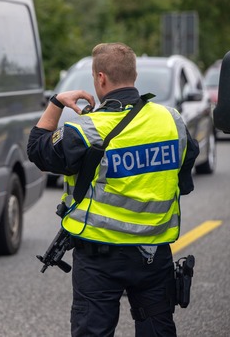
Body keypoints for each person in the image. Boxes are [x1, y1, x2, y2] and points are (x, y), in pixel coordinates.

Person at [27, 43, 199, 336]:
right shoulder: (173, 121)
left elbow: (37, 149)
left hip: (99, 256)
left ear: (101, 78)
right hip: (153, 252)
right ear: (134, 75)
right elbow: (184, 178)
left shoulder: (86, 130)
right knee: (157, 329)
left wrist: (56, 102)